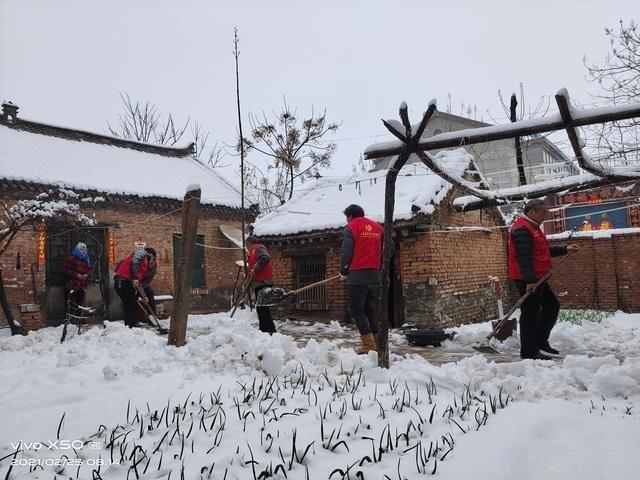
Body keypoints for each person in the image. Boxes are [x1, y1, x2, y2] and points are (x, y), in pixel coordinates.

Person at [508, 199, 579, 360]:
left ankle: (539, 340)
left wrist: (564, 249)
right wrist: (529, 281)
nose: (545, 216)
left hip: (538, 277)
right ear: (532, 212)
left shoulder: (532, 228)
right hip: (528, 279)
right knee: (530, 313)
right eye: (543, 212)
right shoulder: (521, 229)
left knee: (551, 305)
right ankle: (528, 351)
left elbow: (542, 251)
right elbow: (523, 258)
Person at [340, 204, 383, 354]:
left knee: (357, 311)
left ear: (350, 216)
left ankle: (369, 345)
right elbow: (387, 247)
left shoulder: (351, 227)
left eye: (347, 217)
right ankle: (377, 343)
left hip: (357, 276)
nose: (347, 220)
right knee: (371, 310)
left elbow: (347, 251)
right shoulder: (378, 227)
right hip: (374, 275)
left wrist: (344, 271)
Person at [114, 247, 153, 328]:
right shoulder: (141, 253)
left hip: (126, 283)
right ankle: (130, 326)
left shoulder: (143, 267)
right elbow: (134, 261)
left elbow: (139, 283)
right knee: (130, 303)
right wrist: (135, 277)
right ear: (151, 256)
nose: (153, 263)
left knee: (132, 302)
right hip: (122, 282)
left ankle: (132, 325)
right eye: (154, 260)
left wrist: (144, 296)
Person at [246, 236, 277, 334]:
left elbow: (265, 258)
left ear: (249, 244)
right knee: (261, 308)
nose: (247, 248)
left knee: (263, 308)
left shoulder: (259, 248)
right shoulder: (253, 253)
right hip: (258, 284)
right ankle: (264, 331)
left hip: (264, 283)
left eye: (247, 246)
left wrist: (255, 269)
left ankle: (270, 331)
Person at [62, 242, 93, 316]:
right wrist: (76, 275)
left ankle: (80, 318)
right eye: (81, 249)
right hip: (72, 283)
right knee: (70, 301)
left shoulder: (86, 258)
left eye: (84, 249)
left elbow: (90, 269)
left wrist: (87, 274)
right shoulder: (72, 258)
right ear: (77, 250)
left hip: (82, 284)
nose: (83, 251)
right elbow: (65, 269)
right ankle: (68, 318)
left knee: (81, 301)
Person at [140, 247, 158, 316]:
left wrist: (141, 291)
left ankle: (153, 317)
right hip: (132, 283)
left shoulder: (153, 268)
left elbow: (146, 282)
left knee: (150, 293)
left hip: (142, 285)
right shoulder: (138, 262)